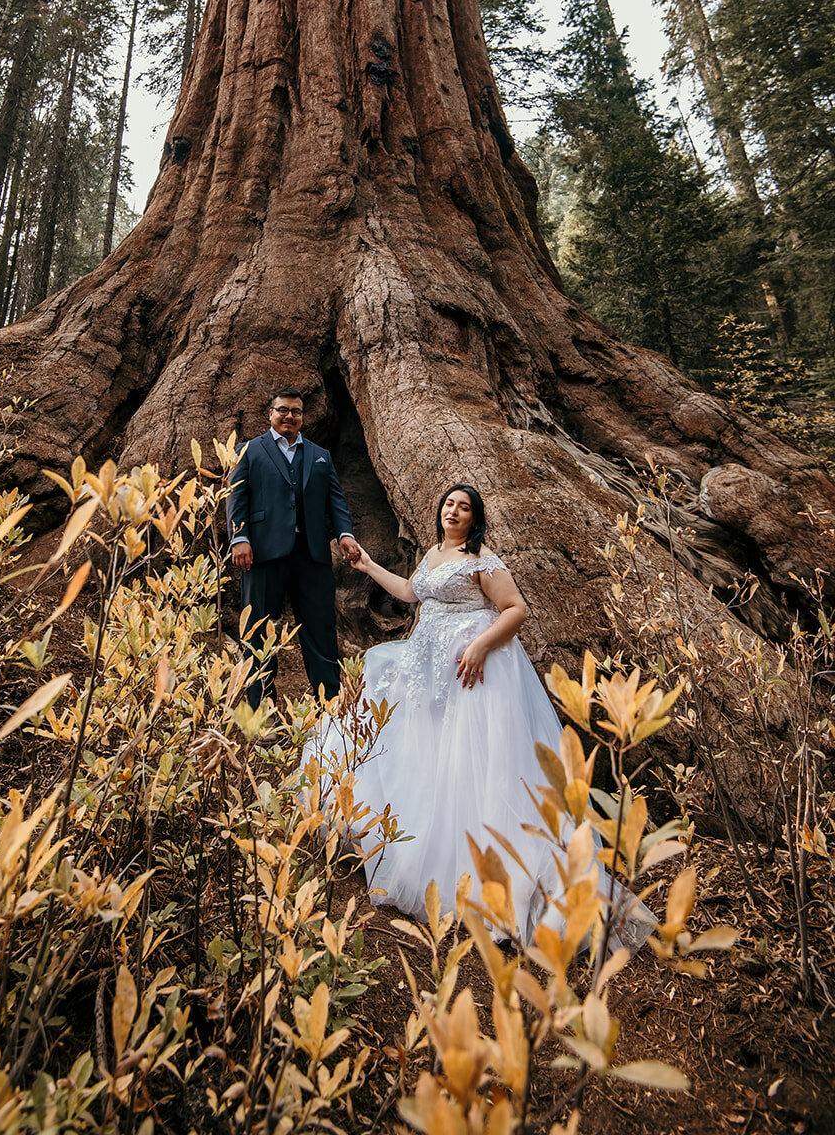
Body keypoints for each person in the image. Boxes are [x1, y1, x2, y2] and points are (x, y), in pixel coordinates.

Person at [324, 483, 596, 941]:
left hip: (470, 671)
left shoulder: (482, 561)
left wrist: (480, 646)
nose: (453, 511)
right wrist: (368, 565)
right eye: (448, 504)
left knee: (471, 762)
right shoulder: (432, 553)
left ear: (475, 517)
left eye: (463, 507)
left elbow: (516, 609)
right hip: (425, 667)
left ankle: (490, 877)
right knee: (409, 731)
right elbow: (411, 593)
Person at [228, 388, 360, 707]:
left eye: (296, 412)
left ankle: (329, 707)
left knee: (320, 631)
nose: (289, 416)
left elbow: (336, 500)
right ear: (270, 414)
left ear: (302, 417)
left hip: (311, 555)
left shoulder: (320, 455)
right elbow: (236, 496)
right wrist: (239, 537)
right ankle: (262, 711)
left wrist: (345, 534)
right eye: (283, 410)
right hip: (261, 553)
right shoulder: (248, 450)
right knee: (258, 632)